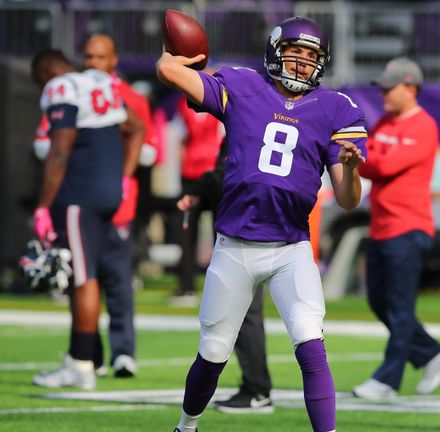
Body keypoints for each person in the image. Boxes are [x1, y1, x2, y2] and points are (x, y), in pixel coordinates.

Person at [157, 16, 367, 432]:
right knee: (213, 352)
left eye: (312, 55)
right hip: (235, 246)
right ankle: (186, 426)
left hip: (291, 248)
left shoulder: (337, 109)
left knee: (311, 344)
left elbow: (346, 200)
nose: (303, 61)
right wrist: (175, 56)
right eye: (296, 51)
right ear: (275, 50)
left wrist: (352, 170)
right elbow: (169, 71)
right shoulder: (241, 85)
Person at [29, 49, 143, 390]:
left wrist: (42, 205)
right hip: (107, 194)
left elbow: (61, 148)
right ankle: (79, 358)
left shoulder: (61, 86)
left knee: (83, 277)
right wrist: (123, 177)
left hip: (82, 195)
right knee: (89, 275)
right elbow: (136, 128)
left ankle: (82, 363)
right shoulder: (99, 82)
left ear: (48, 72)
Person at [352, 58, 440, 400]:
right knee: (380, 302)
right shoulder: (385, 121)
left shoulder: (423, 126)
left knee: (399, 307)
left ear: (411, 88)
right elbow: (370, 163)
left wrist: (362, 159)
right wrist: (365, 160)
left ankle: (388, 380)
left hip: (409, 227)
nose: (382, 92)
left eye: (389, 86)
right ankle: (432, 353)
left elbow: (382, 163)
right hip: (382, 225)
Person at [177, 139, 275, 414]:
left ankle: (257, 389)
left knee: (243, 314)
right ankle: (257, 388)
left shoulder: (250, 115)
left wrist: (199, 188)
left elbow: (230, 172)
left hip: (251, 229)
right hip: (277, 226)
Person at [81, 32, 150, 378]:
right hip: (81, 201)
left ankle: (123, 352)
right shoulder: (72, 90)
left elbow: (146, 144)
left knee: (118, 281)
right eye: (88, 57)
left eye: (100, 57)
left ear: (114, 60)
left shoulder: (131, 99)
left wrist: (122, 178)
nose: (93, 63)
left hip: (118, 203)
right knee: (83, 280)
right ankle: (87, 354)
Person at [172, 93, 224, 307]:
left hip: (206, 173)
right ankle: (189, 285)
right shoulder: (187, 104)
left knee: (216, 233)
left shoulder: (219, 103)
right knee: (190, 231)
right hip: (199, 173)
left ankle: (212, 286)